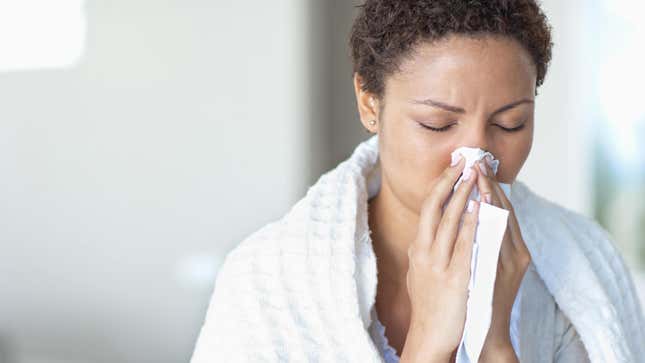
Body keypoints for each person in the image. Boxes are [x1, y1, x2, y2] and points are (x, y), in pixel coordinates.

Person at [190, 1, 645, 362]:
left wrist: (495, 345)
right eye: (437, 124)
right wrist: (428, 342)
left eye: (510, 124)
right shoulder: (266, 282)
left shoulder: (580, 267)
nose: (476, 160)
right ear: (370, 104)